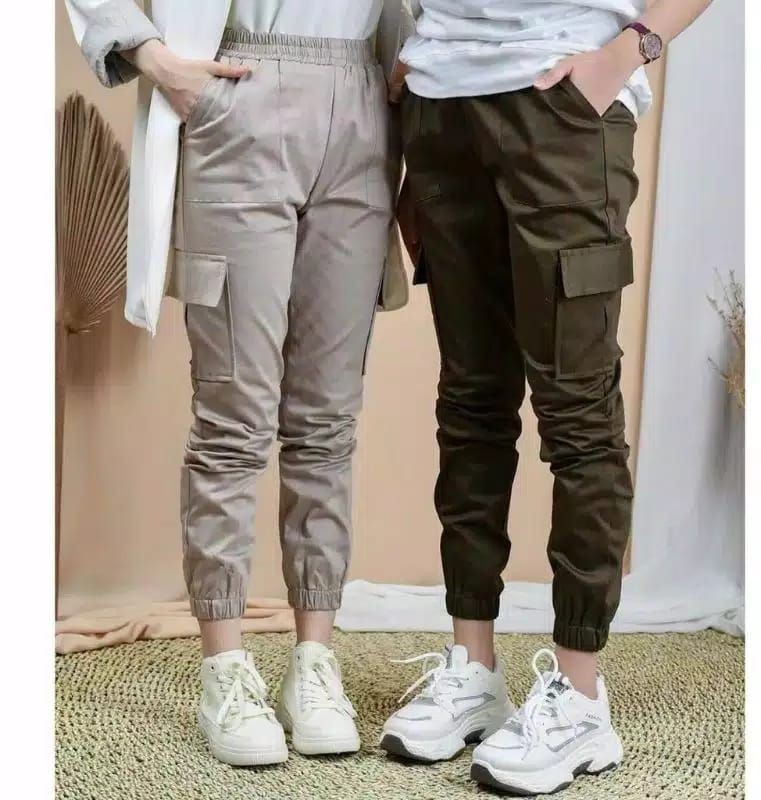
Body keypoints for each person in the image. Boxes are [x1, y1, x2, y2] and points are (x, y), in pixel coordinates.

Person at [65, 0, 412, 766]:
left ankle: (313, 665)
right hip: (240, 90)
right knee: (233, 418)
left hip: (365, 104)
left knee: (328, 420)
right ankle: (223, 669)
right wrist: (155, 59)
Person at [382, 0, 714, 793]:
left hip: (562, 107)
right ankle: (473, 667)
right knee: (470, 401)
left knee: (577, 412)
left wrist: (628, 50)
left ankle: (580, 697)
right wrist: (418, 62)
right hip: (441, 108)